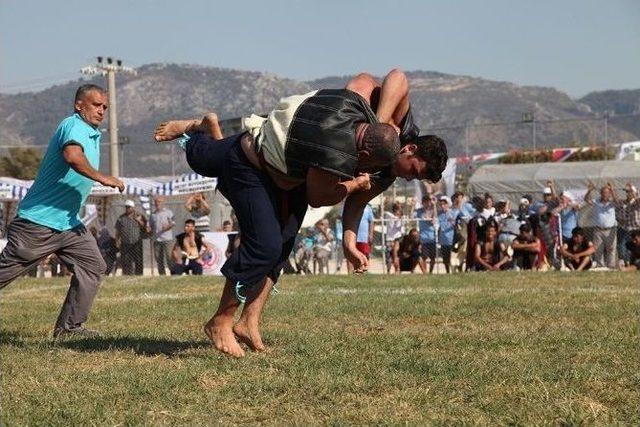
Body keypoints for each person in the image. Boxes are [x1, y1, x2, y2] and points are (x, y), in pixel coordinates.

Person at [154, 74, 448, 357]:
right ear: (404, 149)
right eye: (413, 172)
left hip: (282, 166)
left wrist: (349, 242)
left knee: (280, 244)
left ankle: (248, 322)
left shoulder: (376, 153)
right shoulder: (338, 143)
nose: (409, 179)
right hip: (252, 163)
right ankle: (221, 320)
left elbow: (356, 202)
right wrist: (359, 170)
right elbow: (319, 197)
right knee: (262, 242)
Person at [0, 84, 124, 338]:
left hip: (68, 224)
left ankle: (69, 329)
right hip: (38, 222)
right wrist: (103, 178)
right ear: (79, 105)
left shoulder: (90, 133)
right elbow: (71, 155)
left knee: (93, 265)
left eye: (105, 107)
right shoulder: (74, 124)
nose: (101, 111)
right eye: (96, 105)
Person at [585, 182, 618, 269]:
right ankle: (600, 265)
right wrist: (589, 191)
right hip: (598, 230)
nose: (605, 194)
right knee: (598, 249)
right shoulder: (596, 202)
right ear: (600, 193)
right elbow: (586, 200)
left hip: (610, 230)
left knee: (611, 249)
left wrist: (612, 189)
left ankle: (611, 266)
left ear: (610, 193)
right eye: (603, 192)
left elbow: (617, 201)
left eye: (607, 192)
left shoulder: (612, 203)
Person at [115, 200, 149, 275]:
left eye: (129, 207)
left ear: (133, 207)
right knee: (126, 260)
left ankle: (139, 275)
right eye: (126, 207)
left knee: (138, 260)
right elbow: (117, 230)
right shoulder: (121, 218)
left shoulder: (139, 215)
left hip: (136, 242)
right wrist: (117, 241)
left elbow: (145, 227)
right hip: (125, 243)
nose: (127, 209)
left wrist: (139, 221)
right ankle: (126, 275)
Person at [615, 183, 640, 266]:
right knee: (622, 246)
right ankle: (625, 262)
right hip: (624, 228)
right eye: (627, 192)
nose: (628, 193)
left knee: (635, 246)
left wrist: (633, 191)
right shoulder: (623, 203)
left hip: (635, 229)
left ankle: (632, 262)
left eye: (630, 192)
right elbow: (616, 201)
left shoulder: (636, 202)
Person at [149, 196, 175, 276]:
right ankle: (162, 276)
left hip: (167, 240)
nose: (157, 203)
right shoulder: (152, 215)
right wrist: (148, 228)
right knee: (158, 259)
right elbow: (150, 226)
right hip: (157, 240)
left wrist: (167, 227)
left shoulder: (169, 212)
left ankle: (173, 274)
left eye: (159, 201)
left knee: (169, 258)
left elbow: (173, 223)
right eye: (156, 202)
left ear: (163, 203)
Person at [347, 203, 374, 273]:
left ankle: (363, 271)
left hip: (363, 237)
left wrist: (370, 234)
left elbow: (371, 222)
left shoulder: (368, 208)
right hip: (352, 236)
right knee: (351, 254)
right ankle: (350, 272)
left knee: (364, 254)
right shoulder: (350, 206)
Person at [414, 194, 438, 273]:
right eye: (426, 201)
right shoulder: (419, 211)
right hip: (423, 238)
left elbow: (435, 216)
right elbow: (412, 215)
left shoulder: (432, 210)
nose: (428, 203)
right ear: (423, 202)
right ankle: (425, 272)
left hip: (432, 238)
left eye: (429, 201)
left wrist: (434, 205)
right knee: (423, 257)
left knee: (433, 258)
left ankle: (430, 272)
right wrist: (412, 205)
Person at [384, 202, 404, 273]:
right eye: (397, 209)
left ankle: (397, 270)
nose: (399, 211)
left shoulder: (401, 219)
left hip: (397, 238)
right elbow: (387, 213)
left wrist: (400, 218)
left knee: (395, 254)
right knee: (388, 257)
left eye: (400, 209)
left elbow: (399, 227)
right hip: (389, 238)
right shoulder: (389, 215)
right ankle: (388, 271)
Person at [437, 196, 456, 273]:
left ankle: (454, 271)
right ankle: (447, 271)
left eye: (444, 204)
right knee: (445, 258)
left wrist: (453, 221)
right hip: (443, 240)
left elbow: (457, 225)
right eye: (441, 204)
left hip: (452, 239)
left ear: (448, 204)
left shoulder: (453, 212)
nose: (442, 206)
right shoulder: (439, 214)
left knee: (453, 258)